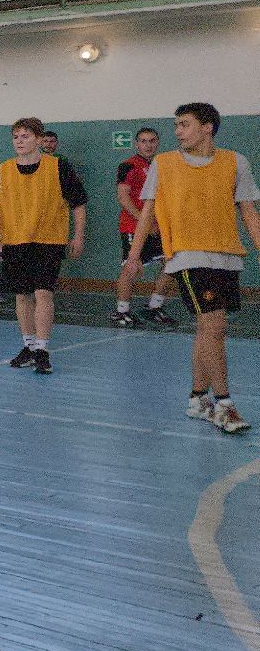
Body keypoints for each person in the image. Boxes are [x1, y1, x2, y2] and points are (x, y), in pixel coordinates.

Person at [125, 102, 256, 434]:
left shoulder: (235, 162)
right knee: (214, 326)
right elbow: (147, 214)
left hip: (227, 256)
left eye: (184, 124)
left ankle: (198, 400)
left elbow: (249, 214)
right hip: (187, 257)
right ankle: (224, 404)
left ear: (207, 127)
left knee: (209, 329)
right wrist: (134, 257)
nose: (177, 131)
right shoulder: (164, 164)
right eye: (176, 125)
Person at [0, 117, 88, 375]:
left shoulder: (58, 167)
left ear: (39, 140)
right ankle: (28, 345)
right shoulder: (3, 170)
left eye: (26, 136)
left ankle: (42, 348)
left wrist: (78, 236)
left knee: (44, 293)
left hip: (48, 239)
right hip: (15, 239)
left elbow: (78, 203)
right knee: (22, 295)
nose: (20, 141)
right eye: (16, 137)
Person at [112, 127, 178, 328]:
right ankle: (121, 311)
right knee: (131, 267)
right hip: (134, 225)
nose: (148, 145)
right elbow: (123, 197)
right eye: (143, 141)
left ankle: (155, 307)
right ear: (136, 144)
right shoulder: (127, 166)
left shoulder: (162, 165)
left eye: (152, 141)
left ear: (157, 143)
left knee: (171, 263)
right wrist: (145, 223)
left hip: (159, 227)